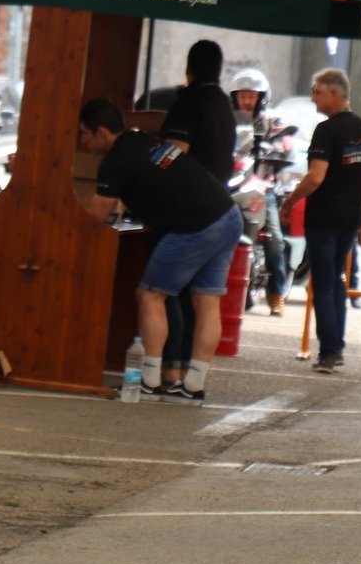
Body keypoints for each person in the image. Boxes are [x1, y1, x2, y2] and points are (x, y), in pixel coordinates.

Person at [78, 98, 242, 405]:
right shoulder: (144, 141)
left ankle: (149, 382)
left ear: (101, 132)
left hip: (195, 225)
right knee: (207, 301)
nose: (83, 142)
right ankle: (192, 387)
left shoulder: (115, 162)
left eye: (85, 134)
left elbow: (97, 215)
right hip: (227, 215)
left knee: (150, 296)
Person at [279, 69, 361, 374]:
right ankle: (336, 347)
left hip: (324, 218)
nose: (313, 98)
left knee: (323, 283)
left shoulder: (326, 131)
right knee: (336, 278)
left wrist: (290, 200)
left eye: (318, 92)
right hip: (350, 218)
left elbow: (315, 177)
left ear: (334, 94)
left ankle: (329, 352)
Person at [156, 40, 236, 388]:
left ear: (189, 68)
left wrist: (148, 161)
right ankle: (193, 380)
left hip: (186, 210)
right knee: (204, 301)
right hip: (221, 210)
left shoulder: (188, 103)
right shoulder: (223, 103)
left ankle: (169, 371)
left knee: (161, 292)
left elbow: (173, 154)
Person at [229, 67, 290, 316]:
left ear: (261, 97)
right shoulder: (228, 119)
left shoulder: (272, 120)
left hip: (262, 186)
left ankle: (276, 293)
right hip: (232, 182)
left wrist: (270, 149)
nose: (246, 100)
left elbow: (285, 145)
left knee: (274, 238)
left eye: (251, 96)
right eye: (242, 95)